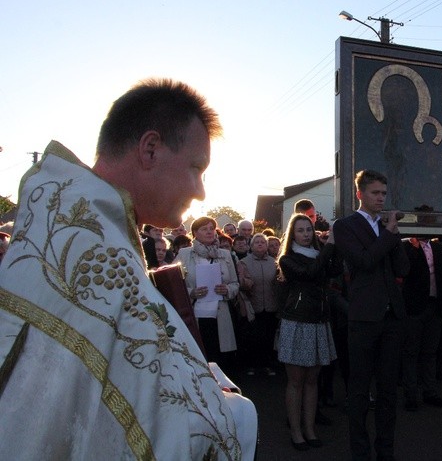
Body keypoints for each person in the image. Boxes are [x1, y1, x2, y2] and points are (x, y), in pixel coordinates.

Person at [0, 78, 255, 459]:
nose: (201, 191)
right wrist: (236, 412)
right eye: (196, 168)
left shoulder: (73, 226)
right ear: (150, 149)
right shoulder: (94, 253)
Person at [333, 169, 410, 461]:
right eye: (376, 193)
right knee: (359, 390)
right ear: (360, 194)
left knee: (389, 392)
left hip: (392, 319)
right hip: (364, 318)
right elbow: (364, 262)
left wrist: (393, 235)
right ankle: (361, 453)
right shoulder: (346, 226)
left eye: (384, 193)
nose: (381, 198)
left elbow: (403, 269)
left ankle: (385, 453)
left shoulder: (386, 228)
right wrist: (388, 235)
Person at [276, 213, 342, 450]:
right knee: (296, 382)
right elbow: (310, 273)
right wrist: (329, 246)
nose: (306, 234)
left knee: (313, 381)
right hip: (297, 322)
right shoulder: (287, 259)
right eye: (301, 230)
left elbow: (334, 269)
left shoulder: (318, 253)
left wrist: (335, 243)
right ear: (292, 235)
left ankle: (310, 429)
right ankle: (296, 432)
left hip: (319, 322)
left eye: (309, 230)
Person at [176, 216, 239, 371]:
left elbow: (235, 284)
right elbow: (175, 285)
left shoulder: (225, 254)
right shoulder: (184, 254)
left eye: (212, 228)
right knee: (200, 358)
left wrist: (227, 290)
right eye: (204, 229)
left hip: (220, 313)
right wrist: (192, 292)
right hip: (196, 314)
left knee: (219, 359)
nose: (209, 232)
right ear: (195, 233)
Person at [401, 236, 442, 411]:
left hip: (434, 306)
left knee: (430, 352)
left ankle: (430, 392)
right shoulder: (406, 247)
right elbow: (405, 272)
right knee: (411, 352)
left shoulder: (438, 248)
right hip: (414, 308)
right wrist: (414, 248)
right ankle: (411, 395)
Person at [238, 232, 279, 376]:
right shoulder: (244, 262)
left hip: (271, 306)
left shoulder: (274, 262)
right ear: (251, 245)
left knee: (269, 337)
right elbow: (241, 283)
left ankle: (268, 365)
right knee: (254, 338)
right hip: (253, 307)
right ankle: (253, 365)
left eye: (263, 242)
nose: (260, 244)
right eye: (257, 242)